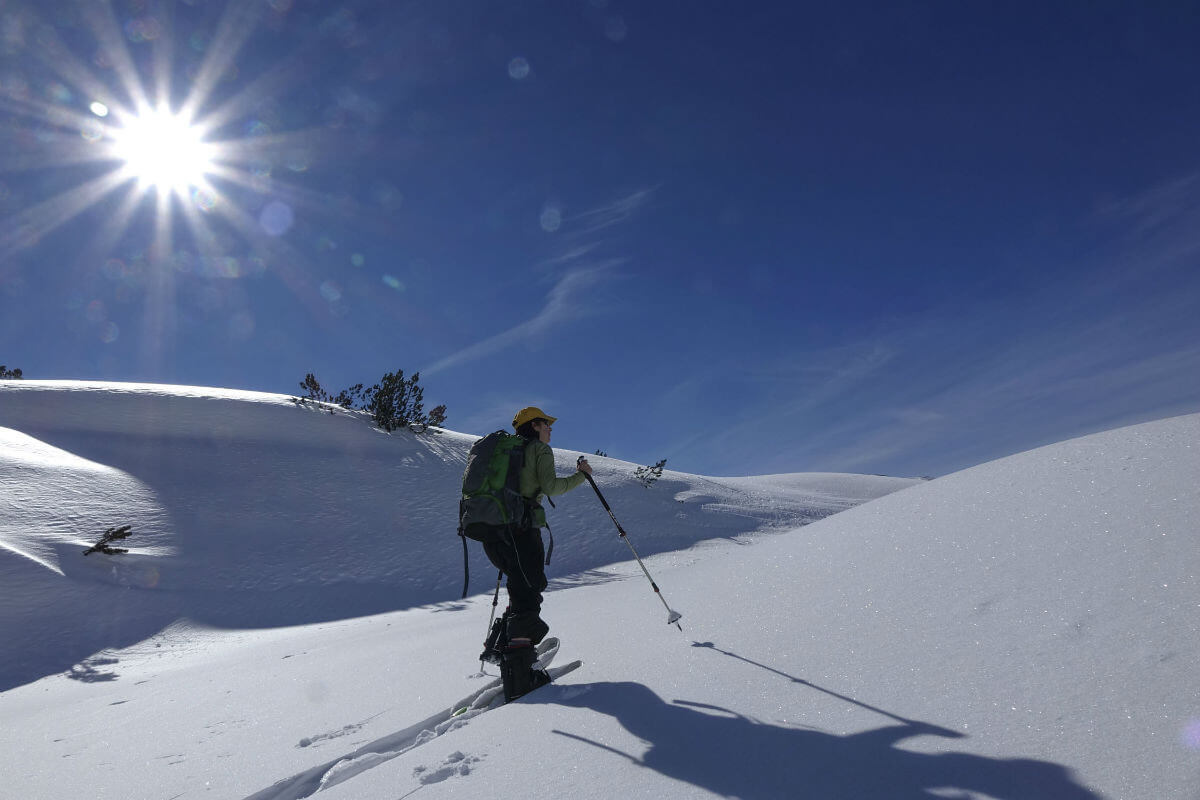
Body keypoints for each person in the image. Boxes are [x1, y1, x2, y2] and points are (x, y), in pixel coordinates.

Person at [482, 406, 592, 700]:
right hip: (522, 530)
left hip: (492, 532)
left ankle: (502, 650)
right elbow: (552, 487)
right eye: (547, 425)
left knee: (520, 588)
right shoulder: (539, 450)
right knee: (529, 591)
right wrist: (582, 475)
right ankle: (521, 680)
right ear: (534, 426)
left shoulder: (504, 452)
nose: (550, 430)